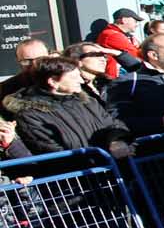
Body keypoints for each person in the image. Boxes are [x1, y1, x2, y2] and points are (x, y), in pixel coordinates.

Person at [3, 56, 133, 157]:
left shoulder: (87, 102)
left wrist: (116, 141)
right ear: (53, 81)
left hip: (112, 168)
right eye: (74, 77)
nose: (81, 81)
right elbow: (51, 151)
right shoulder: (30, 115)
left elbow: (113, 124)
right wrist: (99, 156)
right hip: (78, 181)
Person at [90, 9, 144, 80]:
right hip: (116, 77)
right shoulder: (111, 35)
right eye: (135, 21)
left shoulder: (125, 35)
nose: (136, 25)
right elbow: (135, 54)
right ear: (124, 20)